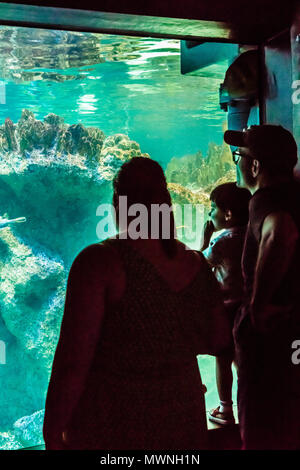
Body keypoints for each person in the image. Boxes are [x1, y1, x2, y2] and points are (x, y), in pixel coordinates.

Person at [43, 156, 231, 450]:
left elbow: (72, 361)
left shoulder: (99, 263)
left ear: (119, 203)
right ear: (165, 204)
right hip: (182, 420)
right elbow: (218, 339)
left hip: (114, 424)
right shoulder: (195, 263)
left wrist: (52, 430)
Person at [224, 124, 300, 449]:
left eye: (238, 156)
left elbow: (281, 233)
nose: (236, 162)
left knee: (260, 430)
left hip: (268, 337)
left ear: (255, 166)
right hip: (291, 329)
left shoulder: (265, 200)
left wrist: (258, 304)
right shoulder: (295, 196)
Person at [200, 182, 251, 426]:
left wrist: (205, 238)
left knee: (222, 357)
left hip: (227, 310)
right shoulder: (253, 235)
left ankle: (225, 409)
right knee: (242, 361)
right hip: (248, 310)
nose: (210, 214)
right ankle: (248, 406)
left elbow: (198, 266)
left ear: (227, 214)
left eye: (212, 208)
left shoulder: (222, 241)